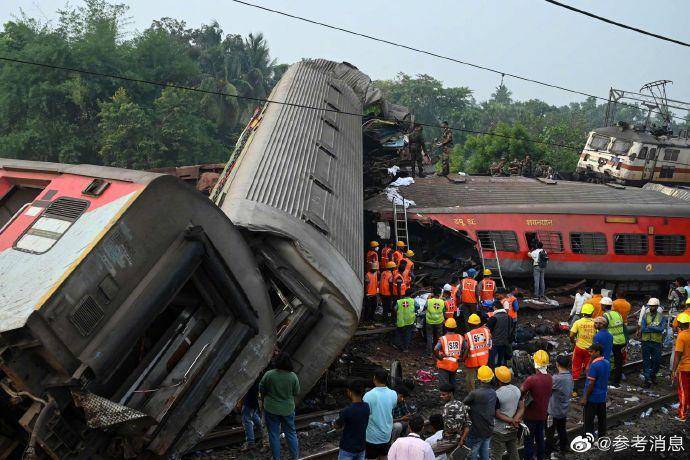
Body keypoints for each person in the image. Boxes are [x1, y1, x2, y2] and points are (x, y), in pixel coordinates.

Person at [260, 353, 300, 460]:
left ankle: (276, 458)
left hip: (271, 409)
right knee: (291, 433)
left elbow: (261, 388)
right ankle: (295, 457)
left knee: (273, 435)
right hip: (288, 409)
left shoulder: (269, 374)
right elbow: (296, 392)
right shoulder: (293, 376)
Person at [520, 350, 553, 460]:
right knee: (540, 439)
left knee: (528, 441)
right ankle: (541, 457)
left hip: (530, 416)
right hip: (543, 414)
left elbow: (521, 392)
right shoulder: (550, 378)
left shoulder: (532, 379)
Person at [463, 366, 497, 460]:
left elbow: (464, 403)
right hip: (489, 428)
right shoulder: (493, 393)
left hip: (476, 429)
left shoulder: (474, 393)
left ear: (478, 378)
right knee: (485, 451)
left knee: (473, 451)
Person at [364, 370, 398, 460]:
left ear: (374, 379)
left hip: (372, 436)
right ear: (386, 380)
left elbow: (366, 413)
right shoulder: (393, 394)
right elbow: (392, 407)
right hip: (386, 435)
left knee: (371, 458)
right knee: (384, 456)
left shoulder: (368, 396)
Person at [491, 366, 522, 460]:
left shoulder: (497, 394)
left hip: (499, 430)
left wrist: (511, 420)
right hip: (513, 428)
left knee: (497, 455)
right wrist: (515, 419)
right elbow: (522, 407)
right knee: (513, 451)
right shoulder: (516, 389)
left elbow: (496, 414)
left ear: (498, 380)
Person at [545, 355, 573, 460]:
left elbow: (547, 390)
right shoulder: (569, 376)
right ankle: (563, 447)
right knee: (562, 429)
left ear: (557, 364)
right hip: (563, 409)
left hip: (553, 411)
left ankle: (548, 452)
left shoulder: (556, 378)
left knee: (549, 432)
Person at [335, 380, 371, 460]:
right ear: (362, 392)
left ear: (349, 392)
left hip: (347, 448)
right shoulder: (366, 407)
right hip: (361, 447)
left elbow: (337, 426)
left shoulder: (347, 410)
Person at [581, 343, 609, 440]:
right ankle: (602, 437)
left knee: (588, 420)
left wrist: (585, 397)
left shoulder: (595, 366)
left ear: (598, 352)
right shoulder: (606, 363)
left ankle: (589, 438)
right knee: (602, 419)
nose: (590, 354)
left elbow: (591, 383)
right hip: (602, 396)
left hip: (592, 397)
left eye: (592, 352)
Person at [640, 300, 667, 388]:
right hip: (646, 341)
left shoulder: (662, 317)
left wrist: (650, 326)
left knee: (657, 361)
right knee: (646, 361)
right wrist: (655, 328)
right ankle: (647, 379)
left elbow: (661, 329)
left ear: (657, 306)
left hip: (656, 342)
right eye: (650, 306)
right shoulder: (645, 316)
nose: (651, 308)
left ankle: (653, 374)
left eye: (653, 306)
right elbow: (643, 329)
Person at [435, 318, 466, 393]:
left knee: (444, 384)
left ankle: (446, 399)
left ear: (445, 328)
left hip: (444, 365)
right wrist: (463, 358)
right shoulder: (460, 337)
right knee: (452, 381)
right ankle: (453, 395)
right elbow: (466, 347)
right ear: (455, 328)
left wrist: (439, 357)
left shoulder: (443, 339)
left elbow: (436, 349)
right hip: (454, 364)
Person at [463, 314, 492, 392]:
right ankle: (483, 390)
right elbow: (490, 343)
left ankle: (472, 393)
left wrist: (463, 359)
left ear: (469, 324)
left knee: (470, 379)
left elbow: (466, 348)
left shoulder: (468, 335)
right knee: (483, 377)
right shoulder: (486, 331)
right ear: (479, 323)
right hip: (484, 359)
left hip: (472, 361)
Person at [602, 297, 626, 386]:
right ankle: (617, 381)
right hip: (621, 340)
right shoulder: (618, 314)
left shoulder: (605, 316)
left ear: (604, 306)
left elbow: (603, 328)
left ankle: (609, 379)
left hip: (613, 341)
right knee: (618, 361)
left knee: (608, 360)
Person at [440, 384, 471, 448]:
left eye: (443, 394)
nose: (441, 396)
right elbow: (468, 425)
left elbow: (450, 428)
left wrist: (458, 432)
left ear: (450, 394)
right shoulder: (461, 404)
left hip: (450, 440)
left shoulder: (447, 408)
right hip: (462, 439)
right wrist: (462, 439)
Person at [570, 303, 595, 382]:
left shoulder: (578, 322)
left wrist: (573, 342)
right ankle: (588, 385)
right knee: (589, 368)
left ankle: (575, 390)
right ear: (591, 313)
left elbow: (571, 335)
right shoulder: (595, 323)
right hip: (590, 350)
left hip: (579, 348)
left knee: (576, 367)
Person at [672, 312, 690, 421]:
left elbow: (677, 355)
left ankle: (682, 414)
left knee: (683, 391)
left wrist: (674, 371)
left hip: (684, 368)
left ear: (680, 324)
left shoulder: (681, 336)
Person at [486, 299, 512, 368]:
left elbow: (487, 331)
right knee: (502, 362)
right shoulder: (509, 317)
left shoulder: (493, 318)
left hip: (495, 343)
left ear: (494, 307)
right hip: (505, 343)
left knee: (493, 362)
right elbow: (511, 330)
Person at [240, 379, 264, 452]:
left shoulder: (253, 377)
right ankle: (263, 435)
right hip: (254, 401)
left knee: (246, 419)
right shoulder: (259, 377)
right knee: (254, 416)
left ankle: (250, 442)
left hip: (250, 401)